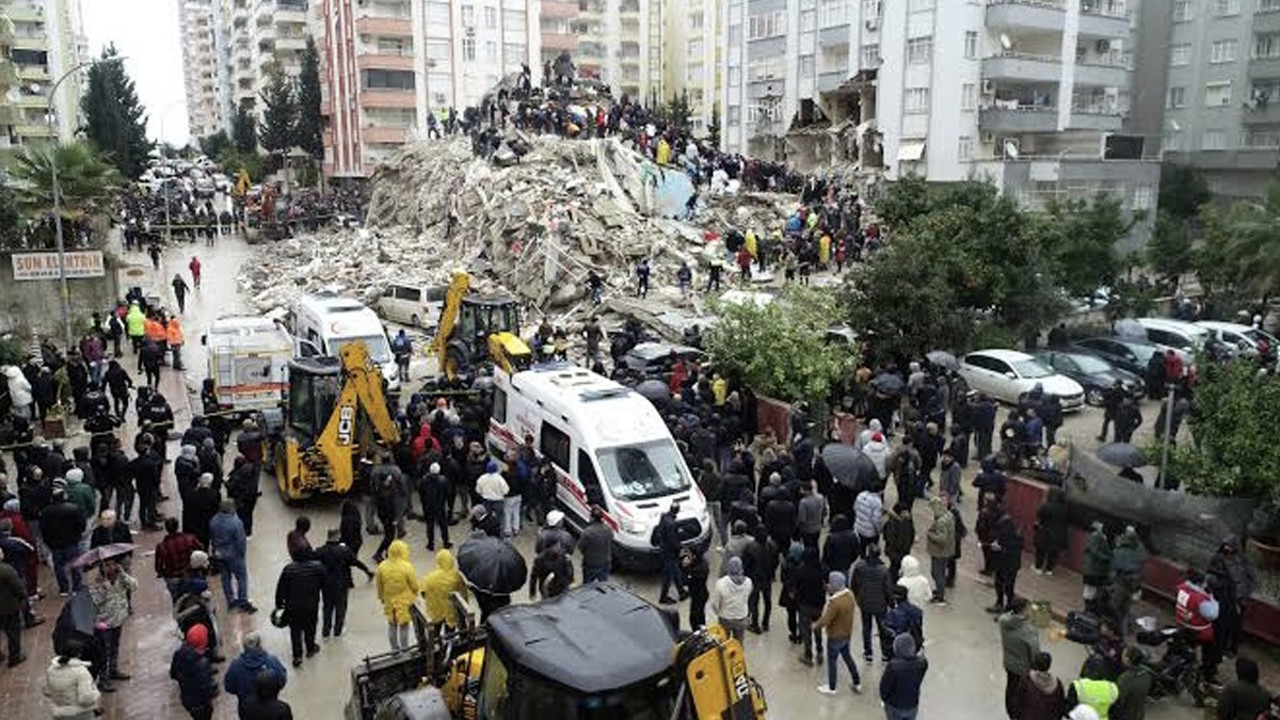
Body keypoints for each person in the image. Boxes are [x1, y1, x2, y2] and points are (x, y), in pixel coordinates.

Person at [87, 559, 136, 690]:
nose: (111, 567)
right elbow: (94, 601)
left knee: (115, 647)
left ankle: (113, 670)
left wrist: (123, 575)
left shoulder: (121, 578)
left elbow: (134, 586)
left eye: (113, 564)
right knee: (103, 652)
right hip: (104, 623)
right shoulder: (97, 583)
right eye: (107, 565)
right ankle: (103, 680)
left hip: (118, 619)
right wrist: (104, 587)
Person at [812, 570, 861, 695]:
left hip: (835, 635)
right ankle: (857, 682)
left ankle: (832, 687)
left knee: (832, 662)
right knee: (848, 658)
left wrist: (815, 626)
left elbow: (826, 620)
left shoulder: (835, 603)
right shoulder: (849, 595)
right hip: (846, 633)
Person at [317, 528, 372, 639]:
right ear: (337, 536)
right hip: (342, 584)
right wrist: (367, 571)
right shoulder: (344, 550)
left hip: (326, 584)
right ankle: (337, 631)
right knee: (340, 608)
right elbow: (355, 562)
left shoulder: (320, 551)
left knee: (327, 608)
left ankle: (326, 631)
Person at [274, 548, 324, 668]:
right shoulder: (317, 568)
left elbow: (280, 589)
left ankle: (297, 656)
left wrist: (279, 605)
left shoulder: (288, 569)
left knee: (295, 631)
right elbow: (325, 584)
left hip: (293, 606)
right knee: (310, 627)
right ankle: (310, 649)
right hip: (311, 605)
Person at [1207, 537, 1255, 658]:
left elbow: (1250, 578)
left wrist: (1244, 595)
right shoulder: (1218, 559)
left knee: (1235, 626)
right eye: (1226, 545)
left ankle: (1231, 649)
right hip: (1223, 598)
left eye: (1230, 546)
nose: (1228, 548)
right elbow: (1211, 576)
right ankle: (1220, 647)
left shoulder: (1242, 560)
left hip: (1239, 599)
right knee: (1222, 625)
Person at [223, 632, 288, 720]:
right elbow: (282, 680)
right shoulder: (272, 661)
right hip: (272, 709)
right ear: (259, 644)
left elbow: (229, 687)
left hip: (246, 710)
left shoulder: (236, 665)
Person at [209, 499, 254, 613]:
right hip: (234, 555)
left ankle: (230, 600)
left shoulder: (213, 520)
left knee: (225, 578)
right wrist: (241, 554)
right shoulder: (236, 523)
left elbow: (212, 538)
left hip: (219, 554)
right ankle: (243, 601)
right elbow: (240, 541)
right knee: (241, 578)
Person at [1000, 597, 1041, 720]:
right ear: (1023, 610)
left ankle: (1010, 711)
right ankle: (1017, 714)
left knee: (1010, 687)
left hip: (1009, 663)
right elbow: (1035, 653)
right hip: (1022, 668)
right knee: (1021, 693)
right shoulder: (1028, 630)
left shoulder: (1003, 621)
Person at [375, 539, 420, 652]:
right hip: (404, 602)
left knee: (392, 625)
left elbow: (379, 585)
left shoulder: (382, 566)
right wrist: (415, 594)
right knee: (404, 627)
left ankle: (394, 650)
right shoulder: (407, 567)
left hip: (389, 601)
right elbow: (414, 586)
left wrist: (381, 597)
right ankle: (405, 649)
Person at [851, 544, 892, 662]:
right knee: (883, 628)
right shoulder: (884, 570)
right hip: (881, 604)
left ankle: (868, 652)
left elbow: (853, 584)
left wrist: (858, 597)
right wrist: (891, 603)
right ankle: (885, 653)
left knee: (866, 628)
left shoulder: (860, 567)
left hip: (865, 602)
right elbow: (887, 589)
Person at [171, 624, 219, 720]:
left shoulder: (179, 654)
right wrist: (214, 690)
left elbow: (173, 674)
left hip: (187, 700)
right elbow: (207, 688)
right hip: (201, 703)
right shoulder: (202, 663)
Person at [43, 639, 100, 719]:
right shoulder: (81, 672)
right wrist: (96, 693)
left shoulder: (51, 669)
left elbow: (47, 691)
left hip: (59, 712)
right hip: (79, 713)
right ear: (79, 654)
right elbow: (85, 698)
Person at [879, 633, 928, 719]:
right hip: (912, 704)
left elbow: (885, 687)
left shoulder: (893, 666)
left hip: (895, 705)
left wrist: (884, 699)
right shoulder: (923, 663)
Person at [420, 548, 469, 631]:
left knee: (435, 632)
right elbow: (463, 593)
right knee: (450, 633)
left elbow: (423, 592)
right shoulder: (457, 576)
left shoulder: (430, 578)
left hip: (435, 612)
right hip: (451, 612)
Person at [1010, 651, 1067, 720]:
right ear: (1049, 665)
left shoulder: (1026, 680)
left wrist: (1016, 715)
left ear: (1036, 664)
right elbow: (1060, 705)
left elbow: (1017, 701)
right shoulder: (1057, 683)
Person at [711, 557, 752, 642]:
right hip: (741, 617)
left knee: (724, 643)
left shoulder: (721, 583)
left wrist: (719, 613)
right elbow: (748, 597)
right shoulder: (748, 582)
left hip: (725, 618)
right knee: (738, 643)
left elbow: (715, 604)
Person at [1109, 647, 1154, 720]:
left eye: (1123, 654)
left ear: (1127, 660)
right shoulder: (1146, 674)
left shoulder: (1125, 678)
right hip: (1140, 711)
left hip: (1128, 714)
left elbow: (1120, 699)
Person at [924, 496, 954, 605]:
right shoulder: (948, 515)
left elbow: (942, 538)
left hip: (939, 551)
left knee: (937, 573)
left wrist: (930, 535)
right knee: (941, 572)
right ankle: (939, 590)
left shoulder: (941, 521)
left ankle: (940, 595)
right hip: (946, 550)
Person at [0, 546, 26, 667]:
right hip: (8, 607)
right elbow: (18, 587)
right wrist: (22, 597)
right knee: (13, 633)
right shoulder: (6, 570)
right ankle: (14, 656)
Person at [654, 502, 684, 604]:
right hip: (669, 553)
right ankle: (663, 597)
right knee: (668, 576)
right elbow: (673, 541)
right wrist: (681, 548)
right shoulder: (671, 524)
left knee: (676, 572)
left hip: (664, 549)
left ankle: (681, 592)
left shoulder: (664, 517)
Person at [1033, 488, 1068, 575]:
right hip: (1060, 534)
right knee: (1053, 553)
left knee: (1041, 550)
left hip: (1046, 532)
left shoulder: (1047, 506)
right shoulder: (1065, 509)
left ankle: (1038, 567)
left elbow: (1039, 516)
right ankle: (1049, 569)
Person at [419, 463, 450, 552]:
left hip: (429, 505)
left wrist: (424, 503)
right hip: (440, 505)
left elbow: (421, 492)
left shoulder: (424, 480)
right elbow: (448, 492)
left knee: (430, 525)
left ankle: (430, 544)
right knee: (443, 525)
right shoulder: (443, 480)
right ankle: (446, 542)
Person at [578, 506, 613, 583]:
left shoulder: (587, 532)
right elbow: (610, 540)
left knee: (587, 585)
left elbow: (581, 547)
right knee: (603, 584)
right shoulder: (608, 529)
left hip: (591, 563)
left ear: (592, 518)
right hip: (605, 562)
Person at [682, 547, 710, 631]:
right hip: (702, 593)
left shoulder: (697, 571)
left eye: (689, 555)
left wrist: (685, 567)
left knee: (695, 617)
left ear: (694, 556)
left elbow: (685, 581)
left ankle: (697, 631)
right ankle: (702, 629)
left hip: (698, 595)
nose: (687, 556)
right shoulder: (702, 562)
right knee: (700, 614)